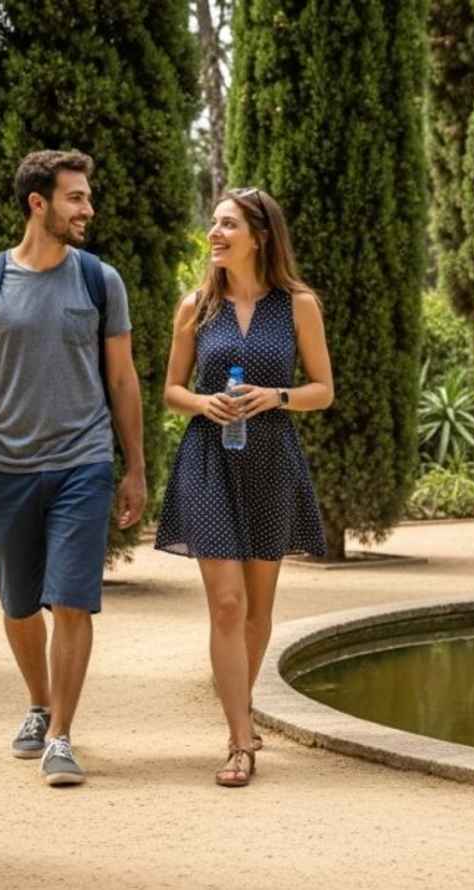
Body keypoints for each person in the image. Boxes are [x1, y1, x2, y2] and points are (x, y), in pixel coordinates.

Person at [0, 149, 146, 787]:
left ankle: (61, 735)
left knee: (72, 602)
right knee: (20, 603)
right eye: (76, 198)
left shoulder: (99, 280)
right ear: (39, 203)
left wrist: (133, 467)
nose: (88, 208)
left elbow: (121, 378)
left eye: (86, 196)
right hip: (7, 467)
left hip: (82, 465)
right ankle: (39, 703)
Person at [154, 187, 333, 787]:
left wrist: (276, 396)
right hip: (209, 457)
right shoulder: (195, 307)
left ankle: (242, 712)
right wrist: (205, 403)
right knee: (227, 604)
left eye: (227, 224)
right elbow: (172, 390)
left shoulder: (298, 305)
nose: (215, 233)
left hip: (271, 460)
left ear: (259, 236)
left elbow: (322, 390)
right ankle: (239, 741)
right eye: (213, 223)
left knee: (258, 610)